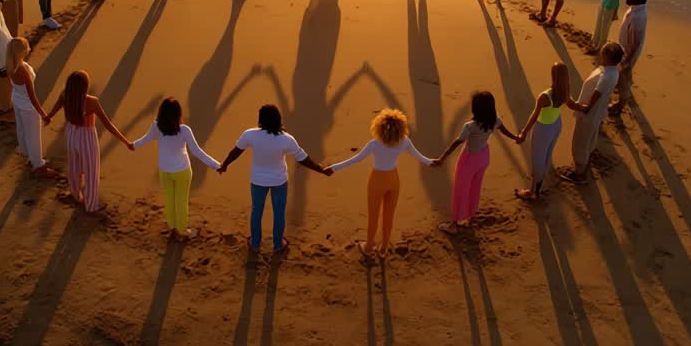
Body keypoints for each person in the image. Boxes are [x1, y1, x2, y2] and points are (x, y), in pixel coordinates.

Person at [218, 104, 332, 253]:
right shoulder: (287, 139)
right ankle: (278, 244)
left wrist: (224, 165)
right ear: (278, 119)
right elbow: (303, 159)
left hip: (258, 181)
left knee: (256, 211)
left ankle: (255, 242)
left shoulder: (250, 135)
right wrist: (321, 169)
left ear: (260, 119)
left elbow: (236, 152)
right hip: (279, 181)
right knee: (279, 212)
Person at [328, 108, 435, 258]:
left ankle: (369, 246)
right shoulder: (404, 142)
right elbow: (420, 157)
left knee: (374, 216)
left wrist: (333, 168)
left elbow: (356, 159)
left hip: (377, 180)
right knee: (389, 215)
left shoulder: (375, 144)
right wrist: (432, 162)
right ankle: (384, 248)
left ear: (379, 127)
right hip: (394, 180)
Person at [132, 98, 221, 239]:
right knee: (181, 201)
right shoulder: (184, 130)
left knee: (169, 199)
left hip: (164, 171)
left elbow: (144, 139)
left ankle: (173, 228)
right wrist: (216, 165)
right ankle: (182, 230)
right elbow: (197, 151)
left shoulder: (156, 126)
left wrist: (132, 145)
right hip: (182, 171)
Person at [45, 70, 133, 212]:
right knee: (91, 170)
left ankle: (75, 194)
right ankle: (91, 204)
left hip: (71, 133)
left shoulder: (65, 95)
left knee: (74, 166)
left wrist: (48, 117)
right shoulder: (91, 102)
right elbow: (108, 124)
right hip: (86, 137)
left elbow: (54, 109)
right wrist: (125, 141)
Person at [435, 92, 520, 233]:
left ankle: (454, 224)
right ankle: (469, 216)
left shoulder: (470, 126)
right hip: (484, 157)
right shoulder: (495, 120)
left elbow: (457, 142)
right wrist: (516, 137)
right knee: (475, 187)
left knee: (460, 189)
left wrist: (442, 158)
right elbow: (505, 131)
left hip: (469, 159)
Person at [561, 43, 624, 184]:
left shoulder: (606, 77)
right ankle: (586, 162)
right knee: (589, 140)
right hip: (598, 113)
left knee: (580, 143)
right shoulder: (614, 71)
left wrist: (573, 105)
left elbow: (589, 105)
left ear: (607, 57)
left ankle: (579, 173)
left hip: (589, 116)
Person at [516, 62, 577, 200]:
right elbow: (573, 105)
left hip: (543, 129)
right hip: (556, 125)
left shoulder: (545, 96)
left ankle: (532, 192)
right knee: (547, 156)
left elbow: (535, 115)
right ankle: (538, 188)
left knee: (538, 159)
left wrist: (524, 132)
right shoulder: (565, 92)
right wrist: (586, 107)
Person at [6, 37, 59, 178]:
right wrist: (43, 114)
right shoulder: (22, 70)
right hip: (28, 107)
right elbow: (32, 96)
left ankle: (27, 153)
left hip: (17, 100)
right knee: (34, 136)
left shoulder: (10, 64)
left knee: (22, 129)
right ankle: (38, 165)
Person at [609, 0, 649, 116]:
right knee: (625, 74)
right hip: (625, 48)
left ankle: (620, 104)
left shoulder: (638, 17)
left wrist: (626, 60)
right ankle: (626, 89)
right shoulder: (635, 9)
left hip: (628, 53)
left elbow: (635, 43)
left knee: (623, 77)